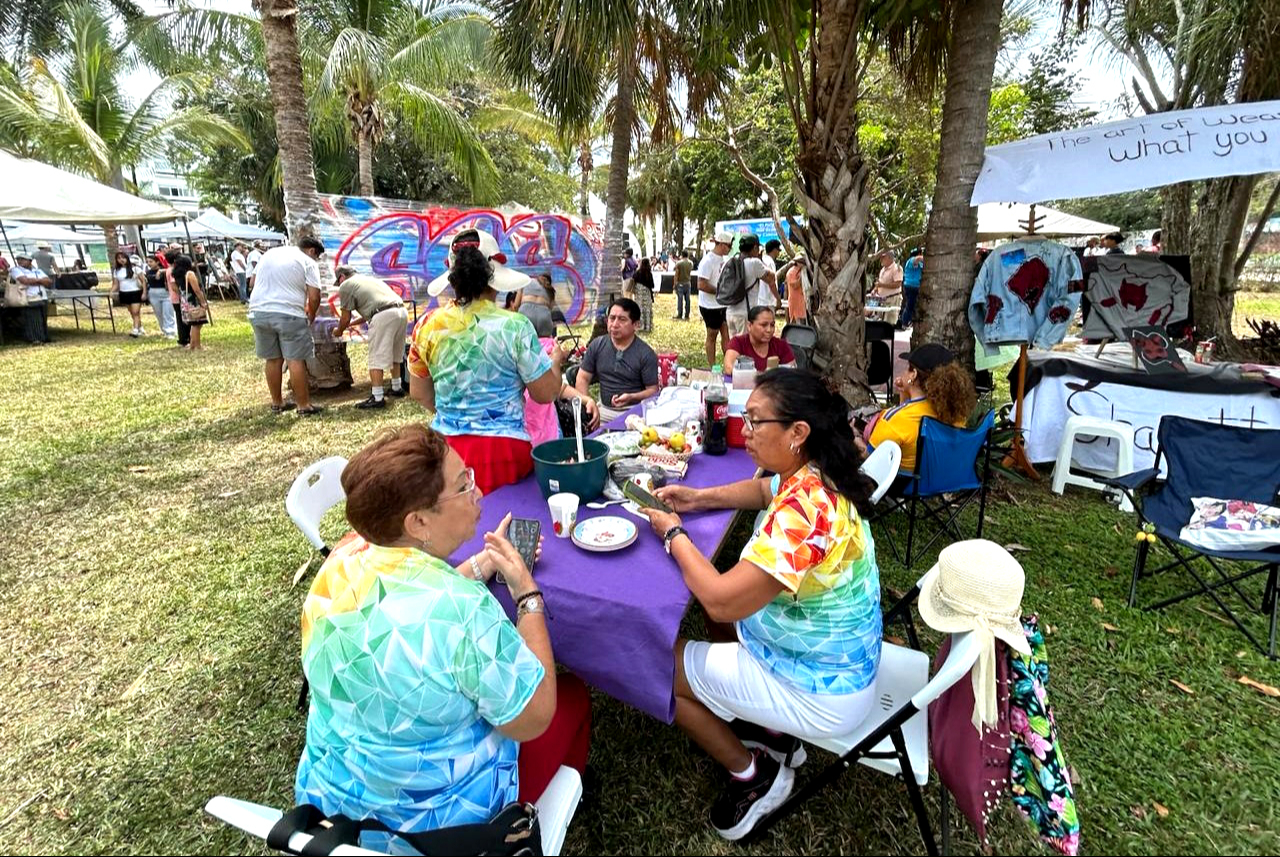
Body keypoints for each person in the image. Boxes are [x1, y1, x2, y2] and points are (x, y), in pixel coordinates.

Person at [295, 424, 591, 852]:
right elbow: (534, 717)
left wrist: (481, 564)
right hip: (436, 826)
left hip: (333, 809)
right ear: (417, 522)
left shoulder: (339, 565)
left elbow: (403, 604)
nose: (478, 492)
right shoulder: (463, 609)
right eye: (463, 484)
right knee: (572, 696)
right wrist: (527, 596)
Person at [637, 369, 882, 841]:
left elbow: (723, 600)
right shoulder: (816, 472)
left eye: (753, 422)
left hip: (819, 688)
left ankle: (755, 773)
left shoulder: (805, 513)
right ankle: (768, 727)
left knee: (654, 664)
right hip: (822, 659)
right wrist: (696, 498)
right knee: (712, 604)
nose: (744, 432)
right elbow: (760, 490)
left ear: (797, 432)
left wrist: (671, 531)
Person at [408, 229, 599, 495]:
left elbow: (419, 392)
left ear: (452, 278)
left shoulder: (426, 326)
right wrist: (555, 362)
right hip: (503, 451)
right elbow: (544, 394)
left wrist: (459, 414)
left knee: (457, 526)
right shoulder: (515, 326)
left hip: (445, 450)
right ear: (494, 278)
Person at [856, 343, 976, 474]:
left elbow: (870, 457)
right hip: (939, 479)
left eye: (908, 368)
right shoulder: (955, 414)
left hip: (903, 485)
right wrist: (904, 393)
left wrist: (853, 437)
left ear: (913, 374)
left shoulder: (896, 420)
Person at [248, 237, 326, 415]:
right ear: (312, 251)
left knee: (273, 359)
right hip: (289, 313)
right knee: (294, 359)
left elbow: (252, 282)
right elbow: (314, 296)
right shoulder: (308, 262)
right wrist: (311, 314)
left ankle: (277, 403)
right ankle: (304, 405)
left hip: (258, 312)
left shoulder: (269, 254)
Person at [333, 266, 410, 410]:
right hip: (400, 312)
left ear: (342, 277)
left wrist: (339, 330)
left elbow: (345, 317)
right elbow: (374, 309)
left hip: (383, 316)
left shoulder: (346, 286)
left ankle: (377, 396)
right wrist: (352, 324)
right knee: (396, 353)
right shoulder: (370, 280)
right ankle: (396, 387)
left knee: (376, 357)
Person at [574, 297, 660, 424]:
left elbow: (653, 391)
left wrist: (632, 397)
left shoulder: (645, 354)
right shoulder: (597, 345)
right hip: (603, 411)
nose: (614, 324)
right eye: (612, 318)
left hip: (634, 413)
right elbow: (582, 378)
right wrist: (588, 405)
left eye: (622, 319)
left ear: (636, 325)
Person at [696, 231, 734, 366]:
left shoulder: (724, 260)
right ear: (722, 244)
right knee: (712, 335)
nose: (730, 248)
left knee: (726, 334)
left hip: (722, 304)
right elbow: (701, 284)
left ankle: (729, 364)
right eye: (729, 245)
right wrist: (720, 292)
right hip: (710, 306)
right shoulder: (707, 261)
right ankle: (713, 367)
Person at [723, 306, 797, 374]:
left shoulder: (781, 345)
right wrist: (762, 376)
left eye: (772, 325)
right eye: (764, 325)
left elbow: (791, 373)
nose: (769, 330)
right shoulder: (738, 342)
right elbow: (729, 368)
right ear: (749, 326)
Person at [10, 253, 53, 344]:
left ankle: (44, 337)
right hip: (29, 297)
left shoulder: (37, 270)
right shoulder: (16, 270)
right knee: (33, 319)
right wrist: (40, 281)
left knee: (42, 318)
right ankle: (35, 339)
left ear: (30, 261)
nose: (20, 261)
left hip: (42, 296)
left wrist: (34, 281)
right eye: (18, 259)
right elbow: (25, 281)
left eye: (23, 259)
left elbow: (48, 281)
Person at [171, 254, 209, 351]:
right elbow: (196, 290)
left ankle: (192, 344)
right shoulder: (190, 274)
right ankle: (197, 346)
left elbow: (174, 287)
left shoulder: (177, 275)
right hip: (193, 300)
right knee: (197, 324)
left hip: (185, 300)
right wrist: (203, 302)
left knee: (193, 324)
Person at [110, 251, 146, 337]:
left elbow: (143, 281)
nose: (121, 260)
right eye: (119, 258)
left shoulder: (135, 269)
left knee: (136, 311)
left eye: (123, 258)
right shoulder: (116, 271)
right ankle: (140, 327)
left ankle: (135, 329)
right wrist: (111, 291)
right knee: (131, 312)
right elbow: (116, 284)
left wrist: (144, 292)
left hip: (135, 292)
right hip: (124, 293)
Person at [141, 255, 177, 338]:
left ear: (157, 262)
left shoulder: (165, 270)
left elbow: (170, 269)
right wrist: (145, 293)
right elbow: (145, 282)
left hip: (165, 293)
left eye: (151, 261)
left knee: (168, 313)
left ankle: (171, 331)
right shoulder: (148, 272)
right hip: (153, 294)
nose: (149, 264)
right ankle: (164, 330)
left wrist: (161, 271)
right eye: (147, 262)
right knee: (159, 313)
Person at [516, 272, 557, 338]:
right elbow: (551, 308)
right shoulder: (550, 289)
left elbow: (516, 305)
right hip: (544, 318)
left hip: (526, 316)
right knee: (544, 344)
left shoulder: (526, 281)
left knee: (525, 342)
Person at [897, 247, 924, 329]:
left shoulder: (919, 263)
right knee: (910, 305)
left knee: (912, 305)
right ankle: (904, 323)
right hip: (911, 286)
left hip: (914, 286)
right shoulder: (911, 260)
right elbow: (918, 259)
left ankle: (909, 321)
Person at [753, 239, 783, 309]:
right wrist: (778, 298)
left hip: (760, 299)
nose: (778, 252)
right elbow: (771, 282)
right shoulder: (769, 262)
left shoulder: (764, 260)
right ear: (774, 250)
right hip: (767, 300)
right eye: (778, 250)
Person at [632, 256, 655, 332]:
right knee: (647, 310)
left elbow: (633, 280)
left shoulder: (637, 273)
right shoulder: (649, 274)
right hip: (647, 294)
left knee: (639, 309)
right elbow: (652, 285)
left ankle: (640, 326)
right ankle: (647, 326)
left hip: (639, 294)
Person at [786, 255, 808, 323]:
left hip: (803, 301)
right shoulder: (791, 272)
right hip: (796, 301)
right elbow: (795, 285)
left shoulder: (802, 271)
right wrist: (802, 276)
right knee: (797, 321)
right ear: (797, 263)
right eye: (801, 262)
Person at [673, 249, 693, 320]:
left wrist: (675, 283)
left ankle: (680, 314)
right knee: (688, 300)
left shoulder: (679, 263)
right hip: (688, 282)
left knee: (680, 299)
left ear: (682, 255)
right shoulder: (691, 263)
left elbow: (676, 274)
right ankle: (687, 314)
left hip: (680, 283)